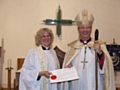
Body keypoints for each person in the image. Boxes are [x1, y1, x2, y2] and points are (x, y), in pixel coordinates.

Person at [62, 10, 116, 90]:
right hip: (76, 85)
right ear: (78, 30)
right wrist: (68, 68)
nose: (85, 30)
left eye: (87, 27)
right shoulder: (72, 47)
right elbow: (66, 68)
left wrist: (100, 53)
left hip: (94, 86)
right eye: (82, 28)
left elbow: (107, 68)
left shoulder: (99, 45)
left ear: (91, 29)